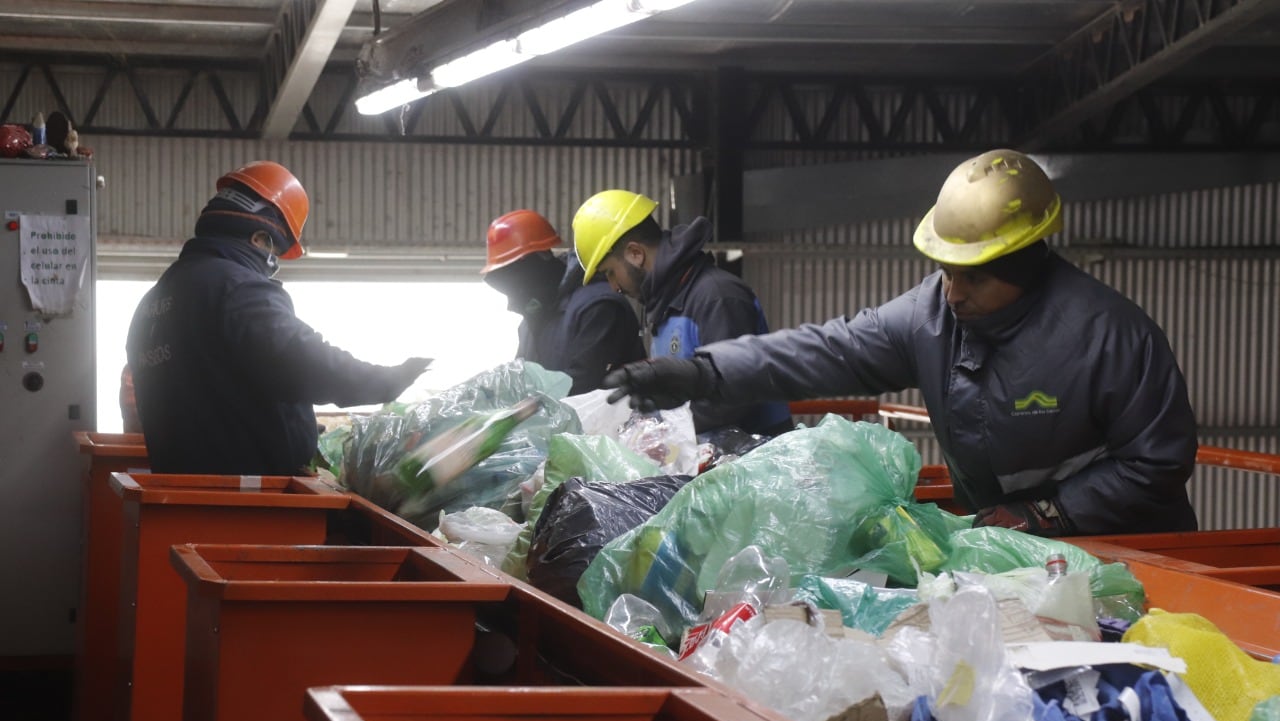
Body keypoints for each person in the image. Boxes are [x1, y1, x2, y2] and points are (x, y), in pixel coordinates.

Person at [600, 149, 1199, 537]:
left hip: (1130, 546)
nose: (953, 292)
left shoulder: (1107, 336)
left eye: (974, 275)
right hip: (1012, 543)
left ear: (1023, 266)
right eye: (945, 269)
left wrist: (1052, 512)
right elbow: (828, 350)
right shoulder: (930, 317)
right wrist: (705, 373)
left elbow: (1158, 459)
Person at [126, 160, 431, 475]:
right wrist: (388, 381)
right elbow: (304, 361)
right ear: (260, 239)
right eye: (276, 253)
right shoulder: (237, 288)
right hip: (248, 503)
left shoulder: (155, 299)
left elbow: (218, 389)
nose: (272, 266)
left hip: (184, 493)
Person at [572, 190, 793, 437]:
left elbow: (734, 395)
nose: (614, 287)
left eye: (611, 272)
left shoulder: (716, 297)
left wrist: (660, 434)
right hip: (706, 458)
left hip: (753, 460)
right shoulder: (664, 303)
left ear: (636, 253)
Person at [480, 209, 644, 395]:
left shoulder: (598, 305)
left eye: (514, 275)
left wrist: (522, 401)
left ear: (539, 259)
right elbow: (523, 376)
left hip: (611, 421)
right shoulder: (533, 317)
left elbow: (585, 382)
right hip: (561, 422)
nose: (515, 290)